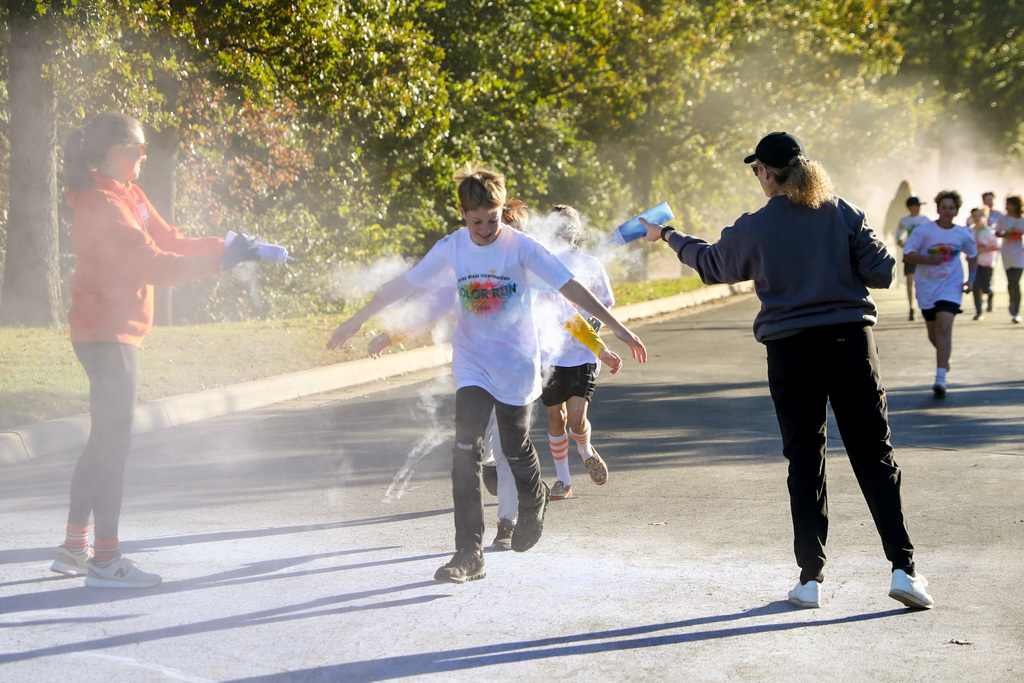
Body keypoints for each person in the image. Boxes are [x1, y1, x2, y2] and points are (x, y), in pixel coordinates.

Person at [641, 131, 934, 610]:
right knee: (873, 455)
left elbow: (712, 264)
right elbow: (882, 272)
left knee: (805, 459)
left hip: (791, 352)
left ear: (763, 172)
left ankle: (811, 579)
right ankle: (904, 569)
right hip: (850, 345)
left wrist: (669, 236)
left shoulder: (755, 226)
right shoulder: (842, 211)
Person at [328, 163, 646, 583]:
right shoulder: (452, 248)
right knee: (465, 454)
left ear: (500, 211)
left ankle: (534, 499)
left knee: (514, 449)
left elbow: (570, 288)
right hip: (472, 364)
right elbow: (405, 287)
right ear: (463, 213)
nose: (485, 229)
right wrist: (357, 321)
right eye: (476, 220)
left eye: (492, 220)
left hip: (515, 365)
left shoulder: (521, 248)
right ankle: (468, 553)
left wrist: (619, 331)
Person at [51, 112, 261, 588]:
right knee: (112, 447)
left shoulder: (129, 196)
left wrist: (230, 245)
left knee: (103, 440)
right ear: (117, 152)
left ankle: (72, 547)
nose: (145, 156)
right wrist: (217, 265)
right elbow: (152, 264)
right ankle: (105, 561)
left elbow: (169, 240)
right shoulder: (103, 204)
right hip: (107, 333)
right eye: (139, 150)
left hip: (111, 331)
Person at [534, 204, 617, 500]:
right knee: (555, 416)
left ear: (578, 232)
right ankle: (563, 481)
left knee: (576, 419)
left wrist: (589, 327)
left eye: (570, 225)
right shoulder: (540, 266)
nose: (564, 230)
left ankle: (584, 448)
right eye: (558, 225)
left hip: (582, 352)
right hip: (549, 352)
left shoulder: (591, 264)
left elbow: (606, 302)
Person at [902, 190, 978, 397]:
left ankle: (940, 378)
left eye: (951, 208)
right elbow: (907, 253)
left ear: (956, 211)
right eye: (943, 207)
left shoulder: (963, 233)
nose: (947, 211)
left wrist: (971, 280)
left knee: (945, 327)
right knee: (933, 334)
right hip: (926, 286)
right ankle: (945, 359)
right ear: (937, 209)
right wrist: (928, 260)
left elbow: (972, 255)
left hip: (951, 285)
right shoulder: (924, 231)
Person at [896, 196, 930, 321]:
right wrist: (901, 242)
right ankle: (911, 307)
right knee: (910, 279)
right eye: (917, 205)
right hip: (910, 253)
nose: (919, 207)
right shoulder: (904, 220)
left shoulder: (925, 219)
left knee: (923, 281)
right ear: (911, 207)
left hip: (923, 254)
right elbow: (899, 235)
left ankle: (925, 305)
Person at [993, 195, 1024, 324]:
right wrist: (1006, 234)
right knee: (1010, 282)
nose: (1006, 206)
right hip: (1007, 254)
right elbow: (996, 232)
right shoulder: (1003, 219)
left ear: (1016, 205)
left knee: (1016, 282)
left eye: (1009, 204)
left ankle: (1016, 312)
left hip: (1020, 255)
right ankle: (1012, 300)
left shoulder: (1022, 220)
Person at [968, 206, 999, 319]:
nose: (976, 218)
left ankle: (990, 294)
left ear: (985, 217)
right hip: (974, 263)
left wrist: (982, 249)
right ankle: (979, 311)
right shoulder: (970, 231)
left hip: (986, 263)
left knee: (985, 287)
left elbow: (996, 247)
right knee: (975, 286)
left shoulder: (989, 232)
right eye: (974, 216)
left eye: (979, 216)